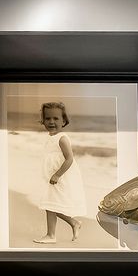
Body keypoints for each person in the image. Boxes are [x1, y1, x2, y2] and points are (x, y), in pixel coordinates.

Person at [32, 101, 90, 245]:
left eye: (56, 118)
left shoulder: (62, 138)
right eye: (48, 118)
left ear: (64, 121)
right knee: (50, 204)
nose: (51, 122)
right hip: (53, 176)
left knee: (50, 204)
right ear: (43, 120)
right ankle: (71, 224)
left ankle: (53, 234)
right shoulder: (51, 137)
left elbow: (70, 159)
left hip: (61, 177)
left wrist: (57, 175)